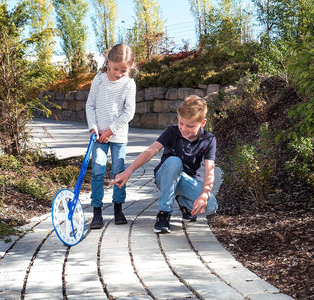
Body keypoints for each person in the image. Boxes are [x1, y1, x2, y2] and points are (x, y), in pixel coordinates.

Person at [111, 95, 218, 233]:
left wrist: (204, 195)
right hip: (165, 177)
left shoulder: (209, 139)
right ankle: (164, 214)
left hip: (187, 181)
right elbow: (150, 152)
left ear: (202, 123)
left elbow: (210, 171)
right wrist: (128, 171)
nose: (184, 129)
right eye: (181, 123)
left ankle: (182, 201)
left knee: (211, 206)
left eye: (190, 126)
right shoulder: (172, 132)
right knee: (174, 161)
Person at [86, 44, 137, 230]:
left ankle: (118, 208)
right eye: (115, 69)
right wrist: (94, 127)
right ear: (108, 62)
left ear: (130, 67)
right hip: (98, 136)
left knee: (118, 171)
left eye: (124, 70)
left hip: (118, 136)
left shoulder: (129, 84)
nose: (118, 73)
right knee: (98, 170)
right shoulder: (99, 80)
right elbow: (90, 105)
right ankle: (97, 211)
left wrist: (111, 131)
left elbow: (129, 112)